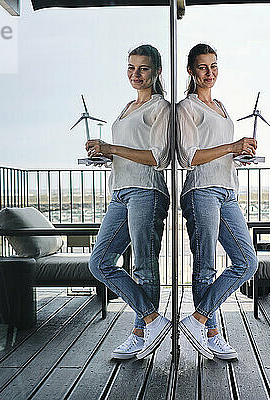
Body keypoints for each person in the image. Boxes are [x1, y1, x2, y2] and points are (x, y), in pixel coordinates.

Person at [87, 44, 171, 360]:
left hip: (147, 191)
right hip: (120, 190)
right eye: (131, 68)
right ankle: (152, 320)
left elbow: (157, 157)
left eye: (143, 68)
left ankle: (140, 333)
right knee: (101, 262)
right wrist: (105, 155)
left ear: (157, 71)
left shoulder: (161, 107)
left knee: (143, 266)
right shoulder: (127, 107)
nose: (135, 74)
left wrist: (113, 148)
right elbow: (126, 151)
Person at [176, 43, 258, 360]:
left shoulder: (221, 106)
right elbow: (189, 156)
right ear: (191, 71)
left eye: (214, 66)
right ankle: (210, 333)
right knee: (205, 265)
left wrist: (240, 154)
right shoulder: (187, 107)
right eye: (202, 67)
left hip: (227, 189)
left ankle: (198, 320)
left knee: (246, 261)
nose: (209, 73)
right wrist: (230, 146)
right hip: (201, 190)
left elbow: (221, 150)